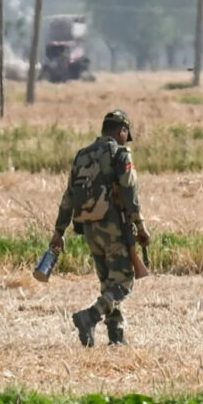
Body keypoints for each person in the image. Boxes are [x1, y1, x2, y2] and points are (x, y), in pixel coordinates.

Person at [49, 109, 151, 347]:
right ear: (122, 131)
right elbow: (130, 192)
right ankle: (90, 317)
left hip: (89, 229)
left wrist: (59, 231)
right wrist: (141, 226)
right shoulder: (120, 154)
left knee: (108, 283)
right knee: (123, 283)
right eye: (126, 134)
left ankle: (116, 336)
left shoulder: (82, 155)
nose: (126, 140)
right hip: (114, 227)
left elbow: (69, 196)